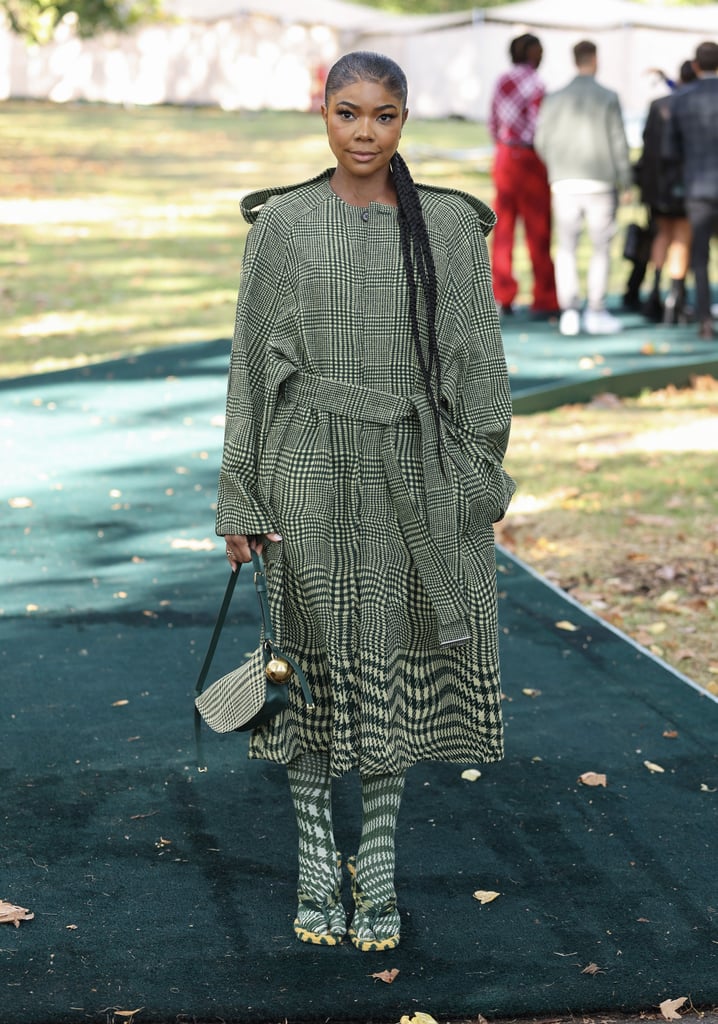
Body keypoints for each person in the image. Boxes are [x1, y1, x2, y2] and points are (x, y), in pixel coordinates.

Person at [217, 51, 515, 952]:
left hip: (411, 474)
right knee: (305, 665)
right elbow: (248, 369)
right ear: (323, 114)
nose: (363, 133)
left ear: (404, 120)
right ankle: (317, 858)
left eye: (382, 116)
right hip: (303, 467)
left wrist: (470, 476)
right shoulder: (283, 226)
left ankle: (375, 860)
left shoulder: (451, 230)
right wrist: (240, 493)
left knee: (388, 654)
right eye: (347, 113)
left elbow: (479, 365)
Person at [535, 40, 632, 336]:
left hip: (564, 180)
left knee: (566, 248)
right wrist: (626, 180)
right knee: (601, 248)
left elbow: (541, 140)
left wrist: (556, 166)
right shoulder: (608, 96)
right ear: (595, 59)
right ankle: (596, 309)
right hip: (600, 181)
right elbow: (618, 141)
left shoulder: (555, 97)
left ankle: (570, 312)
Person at [488, 32, 559, 318]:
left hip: (505, 155)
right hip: (530, 157)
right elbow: (540, 127)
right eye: (540, 51)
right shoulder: (537, 84)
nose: (543, 56)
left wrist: (505, 144)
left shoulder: (501, 80)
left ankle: (502, 294)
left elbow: (492, 122)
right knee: (538, 229)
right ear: (530, 53)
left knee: (503, 229)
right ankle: (544, 297)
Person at [635, 60, 696, 324]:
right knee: (681, 237)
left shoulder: (659, 105)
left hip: (658, 186)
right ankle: (673, 297)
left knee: (662, 235)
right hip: (681, 184)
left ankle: (655, 291)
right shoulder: (691, 107)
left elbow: (647, 144)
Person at [665, 41, 718, 340]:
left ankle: (705, 321)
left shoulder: (682, 100)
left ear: (696, 65)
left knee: (700, 257)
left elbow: (670, 151)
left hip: (698, 187)